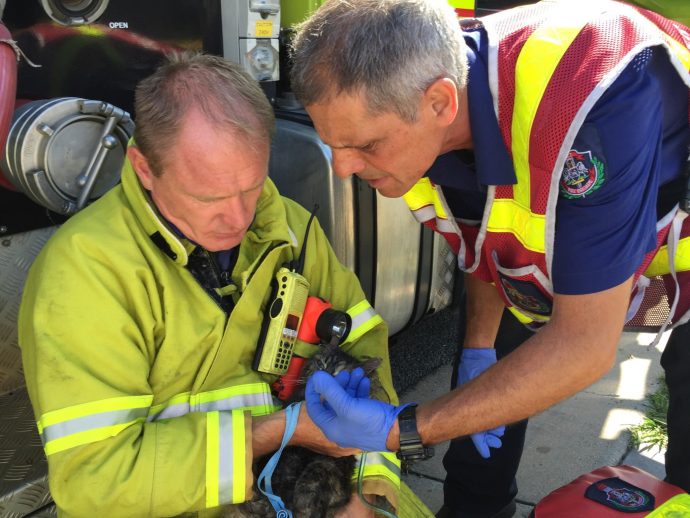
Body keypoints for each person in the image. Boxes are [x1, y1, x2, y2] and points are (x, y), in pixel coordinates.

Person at [289, 0, 690, 517]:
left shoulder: (588, 103)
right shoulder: (436, 84)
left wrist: (403, 427)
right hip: (604, 209)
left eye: (364, 144)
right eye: (333, 144)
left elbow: (585, 346)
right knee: (483, 400)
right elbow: (492, 234)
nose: (343, 168)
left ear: (440, 103)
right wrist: (478, 349)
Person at [18, 52, 403, 517]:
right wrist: (278, 431)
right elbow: (94, 478)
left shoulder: (291, 229)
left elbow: (364, 345)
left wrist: (367, 486)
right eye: (209, 197)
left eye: (252, 186)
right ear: (144, 168)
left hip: (309, 491)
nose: (239, 218)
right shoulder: (86, 271)